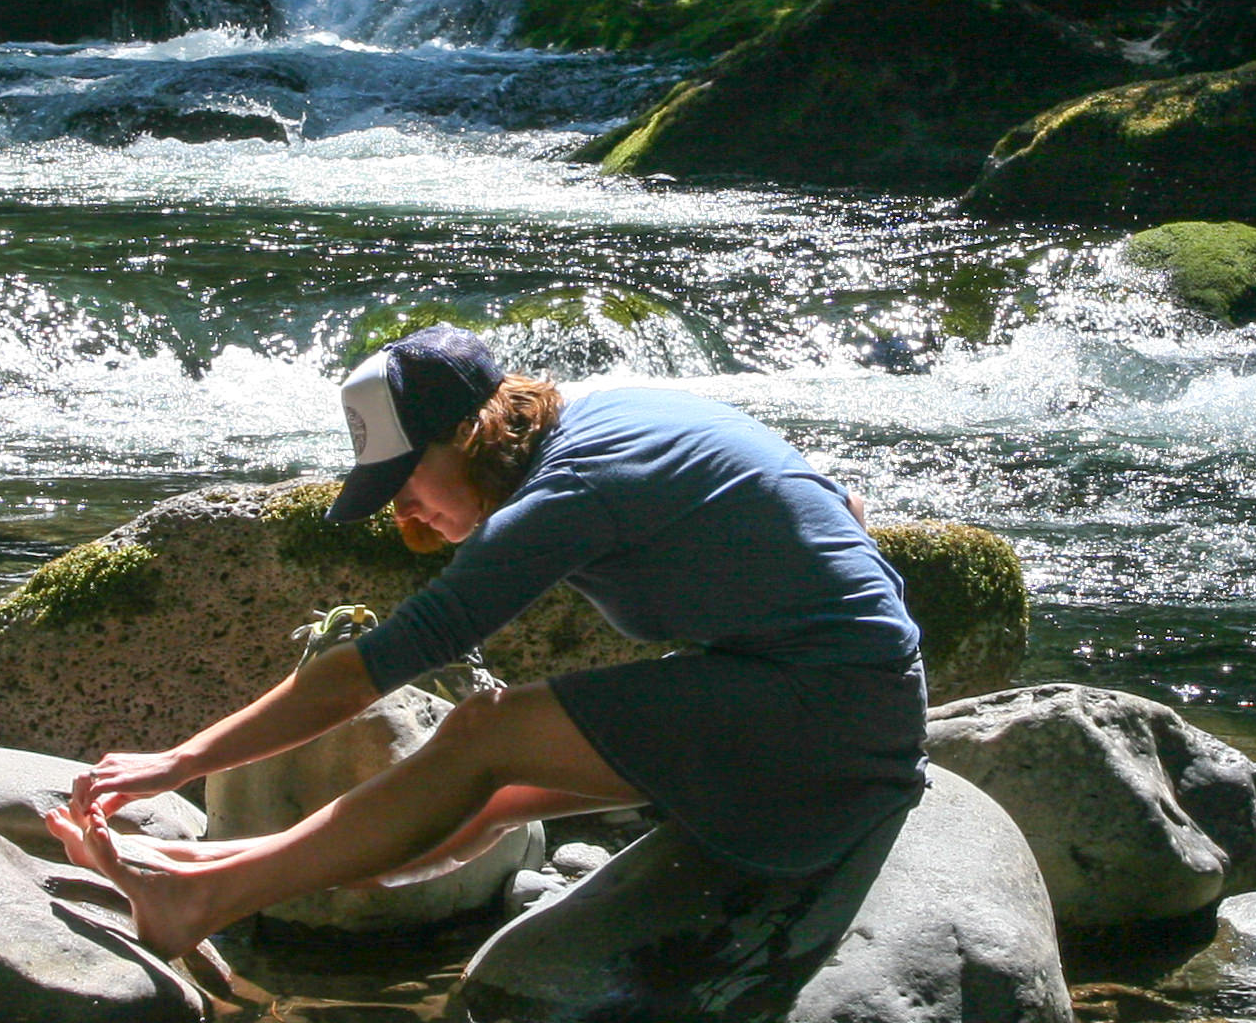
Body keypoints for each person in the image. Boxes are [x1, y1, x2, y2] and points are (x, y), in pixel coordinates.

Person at [45, 325, 928, 962]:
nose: (401, 511)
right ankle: (204, 868)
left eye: (403, 481)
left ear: (465, 433)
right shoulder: (611, 412)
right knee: (493, 796)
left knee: (483, 734)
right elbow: (842, 505)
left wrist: (179, 762)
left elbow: (368, 676)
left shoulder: (565, 492)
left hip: (829, 716)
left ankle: (198, 899)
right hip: (829, 695)